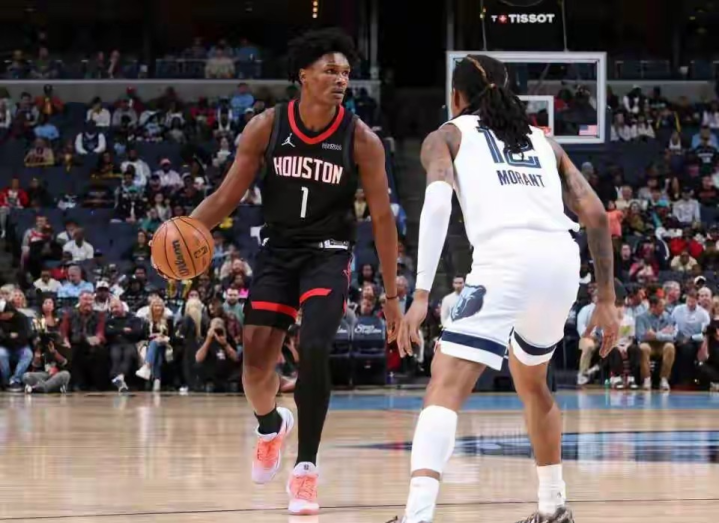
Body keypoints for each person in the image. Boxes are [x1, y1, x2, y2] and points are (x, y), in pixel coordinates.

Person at [155, 28, 401, 515]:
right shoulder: (266, 127)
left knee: (314, 347)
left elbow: (382, 219)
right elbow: (226, 196)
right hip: (278, 252)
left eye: (346, 73)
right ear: (303, 75)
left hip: (329, 254)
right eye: (330, 71)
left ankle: (305, 470)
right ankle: (271, 426)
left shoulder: (362, 140)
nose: (340, 80)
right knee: (254, 366)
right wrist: (179, 236)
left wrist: (392, 297)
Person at [394, 54, 619, 523]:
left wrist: (421, 295)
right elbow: (596, 215)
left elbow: (437, 206)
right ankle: (553, 505)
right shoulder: (544, 142)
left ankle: (417, 516)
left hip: (506, 260)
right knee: (532, 381)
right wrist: (606, 299)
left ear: (456, 97)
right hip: (560, 263)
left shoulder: (448, 136)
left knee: (446, 382)